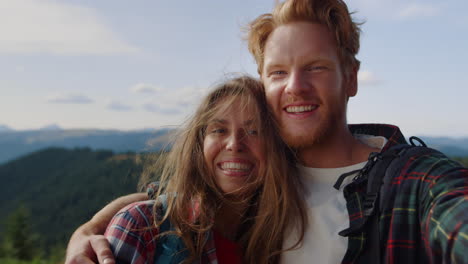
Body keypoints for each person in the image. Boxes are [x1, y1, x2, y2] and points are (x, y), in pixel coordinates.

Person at [65, 0, 468, 263]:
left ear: (351, 78)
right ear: (264, 83)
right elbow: (180, 199)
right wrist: (91, 229)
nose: (295, 86)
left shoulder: (414, 185)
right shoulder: (261, 177)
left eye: (316, 67)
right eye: (278, 72)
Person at [99, 76, 306, 263]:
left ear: (277, 149)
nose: (234, 144)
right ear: (200, 145)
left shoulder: (288, 240)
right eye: (219, 130)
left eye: (253, 131)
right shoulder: (141, 227)